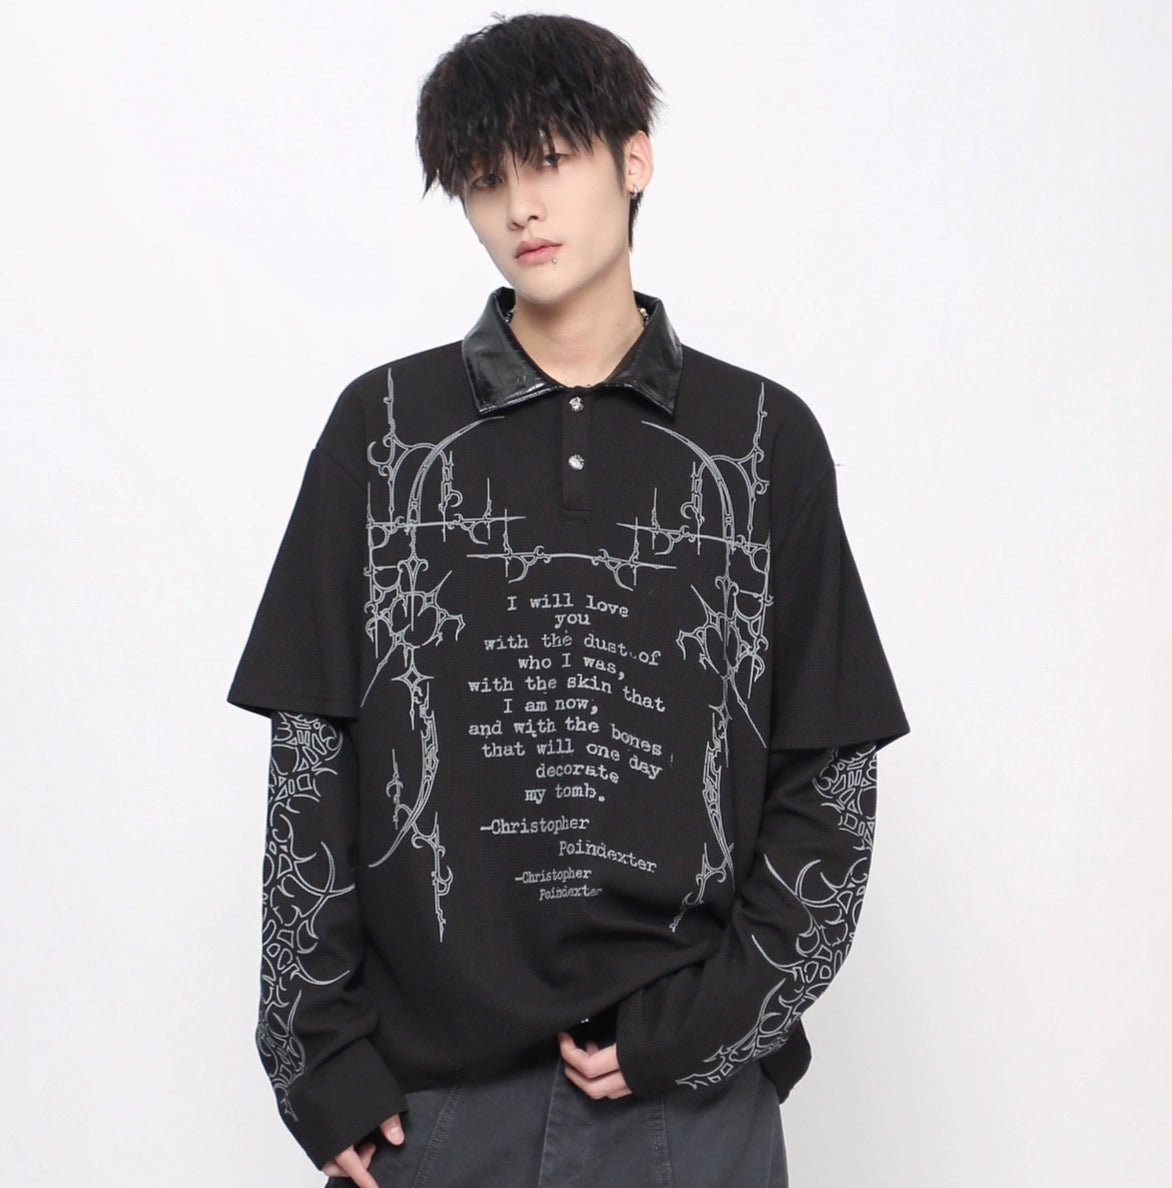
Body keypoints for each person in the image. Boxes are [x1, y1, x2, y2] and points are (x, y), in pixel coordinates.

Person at [227, 13, 909, 1187]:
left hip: (690, 1110)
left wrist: (705, 1028)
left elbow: (831, 782)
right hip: (431, 1109)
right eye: (484, 180)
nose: (519, 209)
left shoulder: (762, 441)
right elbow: (311, 757)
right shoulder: (384, 431)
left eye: (548, 161)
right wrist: (313, 1063)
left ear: (634, 159)